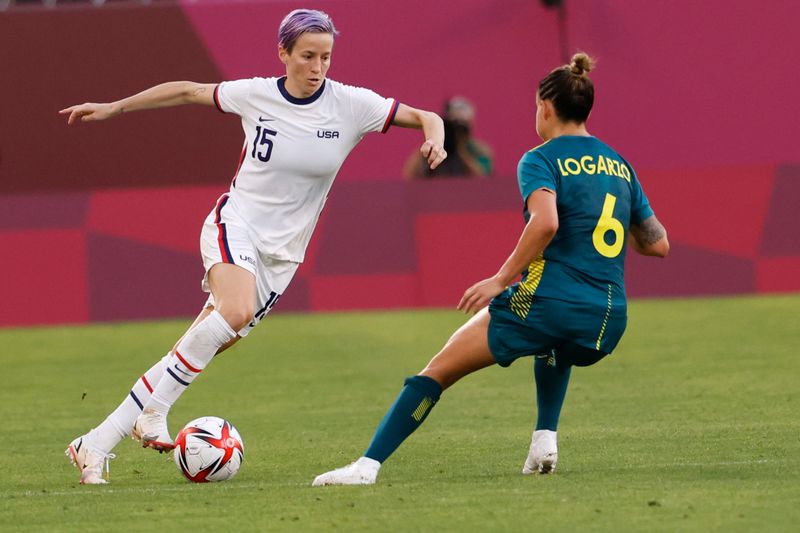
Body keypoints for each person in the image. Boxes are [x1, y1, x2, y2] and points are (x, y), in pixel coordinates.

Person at [59, 8, 446, 485]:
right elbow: (185, 89)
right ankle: (151, 414)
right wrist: (115, 107)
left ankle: (95, 443)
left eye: (325, 56)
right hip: (236, 224)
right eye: (306, 56)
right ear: (283, 53)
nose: (317, 67)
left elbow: (426, 116)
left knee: (199, 346)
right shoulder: (256, 94)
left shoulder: (352, 105)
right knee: (234, 312)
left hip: (283, 257)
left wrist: (435, 139)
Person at [312, 52, 669, 486]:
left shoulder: (540, 159)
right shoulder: (621, 166)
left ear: (546, 107)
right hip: (607, 322)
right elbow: (657, 244)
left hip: (549, 303)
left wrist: (500, 280)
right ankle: (544, 439)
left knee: (436, 371)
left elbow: (547, 221)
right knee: (554, 345)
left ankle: (366, 467)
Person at [403, 96, 493, 178]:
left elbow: (483, 179)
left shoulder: (480, 151)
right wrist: (431, 142)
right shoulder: (435, 148)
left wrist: (459, 148)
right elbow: (410, 175)